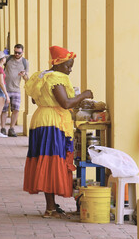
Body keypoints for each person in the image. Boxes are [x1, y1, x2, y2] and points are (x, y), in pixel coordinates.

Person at [23, 46, 93, 218]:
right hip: (53, 122)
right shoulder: (56, 78)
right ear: (58, 64)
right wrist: (84, 94)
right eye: (68, 66)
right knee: (52, 162)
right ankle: (50, 208)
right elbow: (66, 103)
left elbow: (34, 99)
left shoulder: (41, 76)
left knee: (46, 160)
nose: (70, 69)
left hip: (41, 119)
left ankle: (51, 205)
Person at [0, 44, 29, 137]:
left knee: (16, 110)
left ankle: (11, 129)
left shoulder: (25, 62)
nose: (16, 54)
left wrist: (23, 74)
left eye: (19, 53)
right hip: (5, 88)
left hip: (16, 89)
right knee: (3, 110)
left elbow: (27, 78)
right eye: (15, 52)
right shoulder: (8, 59)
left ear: (22, 53)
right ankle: (3, 128)